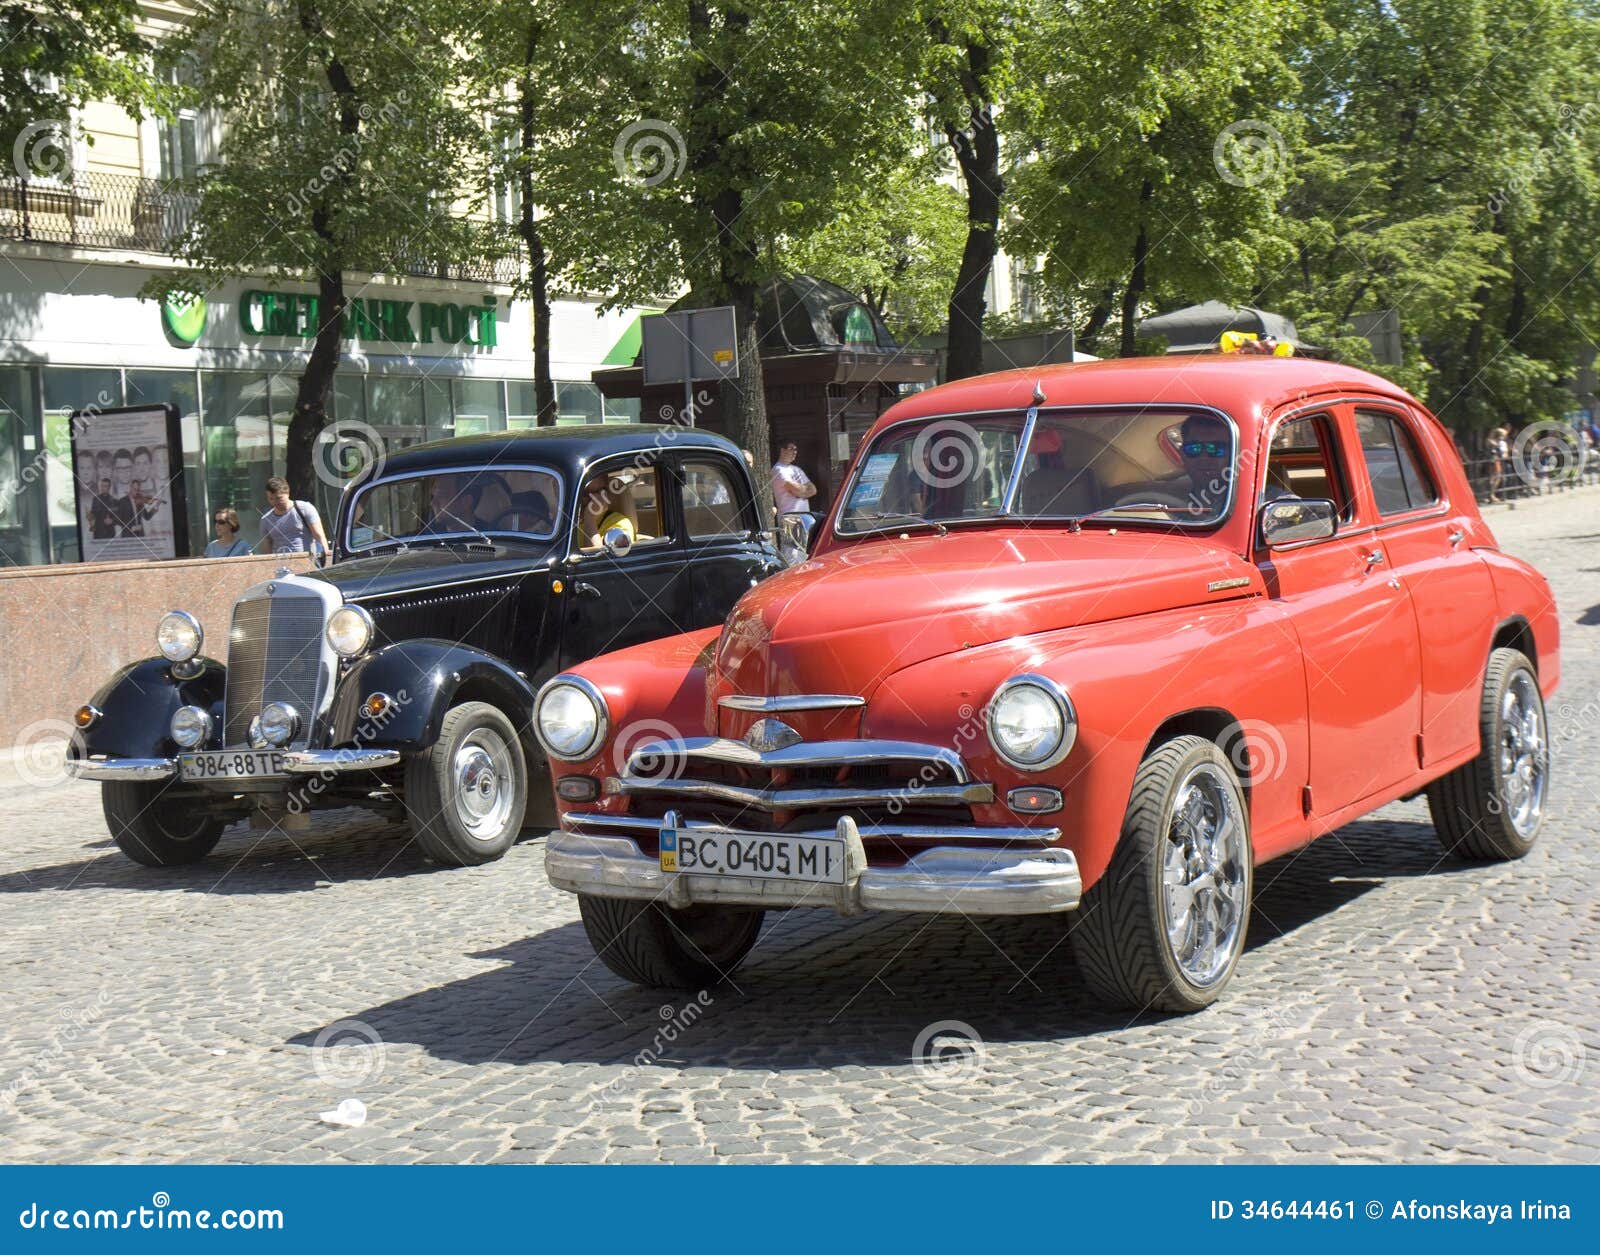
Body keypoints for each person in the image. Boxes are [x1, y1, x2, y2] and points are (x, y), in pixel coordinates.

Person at [260, 476, 330, 561]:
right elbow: (266, 551)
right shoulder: (265, 520)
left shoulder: (304, 508)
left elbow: (319, 536)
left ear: (288, 494)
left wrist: (325, 559)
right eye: (271, 499)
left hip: (307, 561)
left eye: (279, 498)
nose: (275, 502)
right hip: (281, 566)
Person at [772, 440, 816, 516]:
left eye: (795, 449)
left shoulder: (797, 469)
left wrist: (799, 493)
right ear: (782, 450)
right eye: (791, 449)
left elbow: (813, 490)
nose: (795, 452)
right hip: (789, 518)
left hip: (804, 516)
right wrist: (804, 490)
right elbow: (794, 488)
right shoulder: (778, 469)